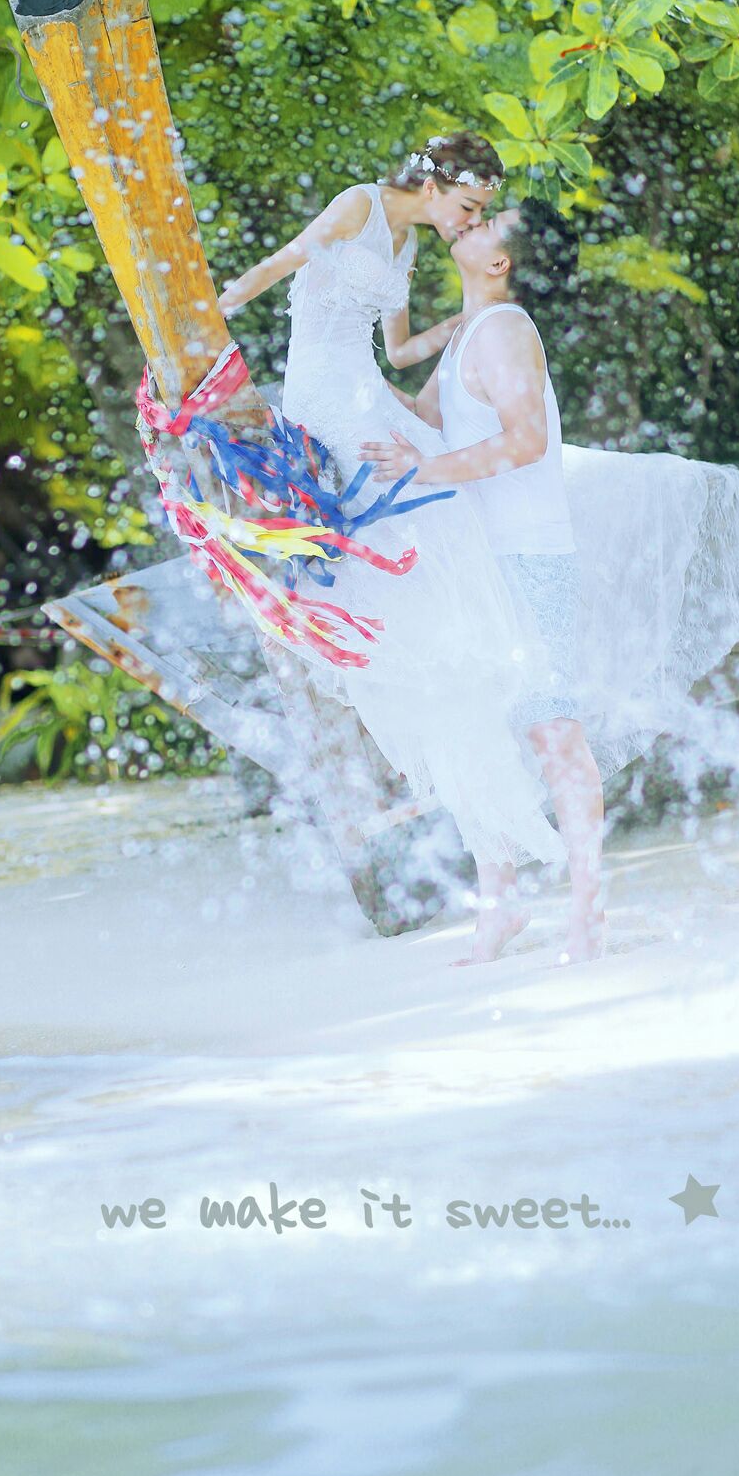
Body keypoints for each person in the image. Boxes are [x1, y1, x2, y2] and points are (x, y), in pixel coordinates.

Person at [359, 199, 739, 963]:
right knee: (480, 729)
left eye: (490, 224)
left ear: (501, 262)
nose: (472, 221)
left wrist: (424, 468)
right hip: (480, 559)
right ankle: (502, 908)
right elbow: (425, 418)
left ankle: (588, 911)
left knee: (552, 730)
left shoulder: (507, 331)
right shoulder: (471, 331)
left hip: (528, 556)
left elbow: (526, 441)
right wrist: (346, 378)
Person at [218, 137, 576, 950]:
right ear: (437, 183)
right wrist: (212, 320)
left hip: (360, 410)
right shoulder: (360, 205)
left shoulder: (410, 243)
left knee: (427, 626)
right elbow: (282, 263)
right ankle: (495, 865)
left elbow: (402, 350)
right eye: (469, 205)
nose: (469, 222)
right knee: (399, 627)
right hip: (323, 406)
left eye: (482, 215)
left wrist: (470, 319)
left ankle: (496, 864)